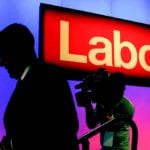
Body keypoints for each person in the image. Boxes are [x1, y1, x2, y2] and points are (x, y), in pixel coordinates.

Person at [0, 23, 79, 150]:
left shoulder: (47, 76)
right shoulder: (27, 79)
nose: (2, 63)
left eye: (4, 55)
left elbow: (61, 129)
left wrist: (12, 144)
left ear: (18, 50)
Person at [75, 70, 135, 150]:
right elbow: (92, 124)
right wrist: (88, 105)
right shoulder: (105, 102)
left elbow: (109, 122)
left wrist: (100, 102)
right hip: (107, 145)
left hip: (119, 148)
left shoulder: (126, 106)